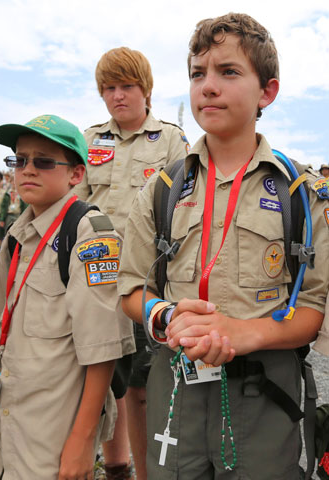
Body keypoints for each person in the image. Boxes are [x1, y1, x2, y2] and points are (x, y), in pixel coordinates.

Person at [118, 13, 329, 479]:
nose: (207, 86)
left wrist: (242, 333)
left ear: (267, 92)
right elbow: (129, 288)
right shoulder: (160, 189)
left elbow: (313, 306)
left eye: (228, 72)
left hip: (263, 392)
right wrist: (166, 316)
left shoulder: (300, 193)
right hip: (176, 388)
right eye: (198, 74)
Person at [0, 114, 135, 479]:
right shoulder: (16, 236)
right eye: (19, 159)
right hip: (14, 415)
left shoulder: (91, 236)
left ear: (76, 175)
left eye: (43, 161)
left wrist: (82, 439)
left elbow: (104, 351)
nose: (27, 169)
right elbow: (1, 326)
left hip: (55, 428)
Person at [74, 47, 189, 480]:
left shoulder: (172, 140)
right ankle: (116, 468)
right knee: (102, 378)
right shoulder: (89, 140)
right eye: (109, 88)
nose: (117, 96)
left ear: (146, 90)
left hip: (144, 280)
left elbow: (183, 207)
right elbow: (75, 206)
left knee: (140, 387)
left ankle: (145, 472)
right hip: (95, 279)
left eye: (127, 86)